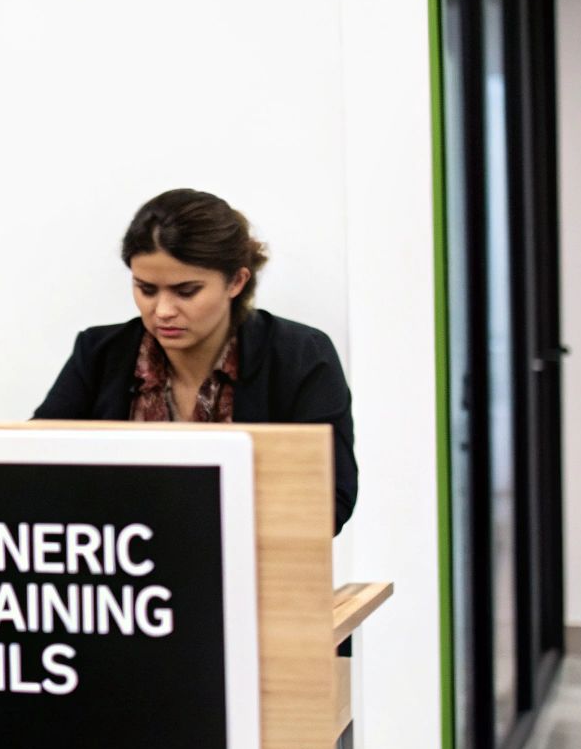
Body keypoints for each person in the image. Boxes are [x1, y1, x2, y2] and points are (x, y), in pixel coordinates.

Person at [33, 188, 358, 534]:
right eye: (146, 289)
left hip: (250, 563)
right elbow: (33, 468)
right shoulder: (100, 354)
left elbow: (329, 500)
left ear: (236, 281)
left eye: (186, 291)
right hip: (122, 563)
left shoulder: (300, 356)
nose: (163, 311)